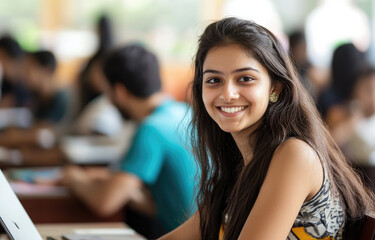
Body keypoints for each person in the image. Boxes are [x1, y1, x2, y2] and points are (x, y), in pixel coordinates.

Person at [159, 17, 374, 240]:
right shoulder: (239, 163)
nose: (227, 94)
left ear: (275, 88)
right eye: (214, 80)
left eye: (245, 78)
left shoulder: (293, 155)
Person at [61, 44, 197, 238]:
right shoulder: (184, 113)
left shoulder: (151, 129)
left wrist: (73, 178)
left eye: (106, 92)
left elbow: (104, 203)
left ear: (120, 91)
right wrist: (110, 179)